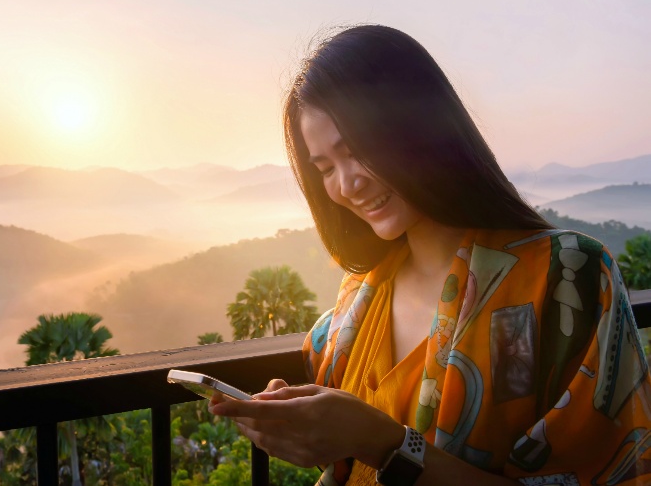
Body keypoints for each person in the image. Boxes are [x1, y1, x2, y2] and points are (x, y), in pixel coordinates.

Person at [209, 25, 651, 485]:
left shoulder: (566, 279)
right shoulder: (355, 305)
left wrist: (384, 441)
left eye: (356, 150)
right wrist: (303, 421)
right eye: (325, 168)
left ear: (419, 128)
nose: (346, 184)